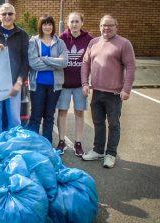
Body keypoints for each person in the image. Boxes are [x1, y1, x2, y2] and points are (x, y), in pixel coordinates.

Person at [81, 15, 135, 168]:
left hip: (114, 94)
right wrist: (85, 83)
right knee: (98, 122)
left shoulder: (124, 44)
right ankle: (98, 150)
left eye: (110, 25)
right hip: (97, 91)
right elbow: (85, 64)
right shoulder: (93, 42)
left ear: (116, 26)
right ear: (100, 26)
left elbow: (130, 67)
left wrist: (127, 89)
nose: (107, 28)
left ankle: (110, 154)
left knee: (113, 125)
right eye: (104, 25)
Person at [0, 3, 29, 134]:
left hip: (13, 83)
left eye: (10, 13)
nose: (7, 16)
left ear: (15, 15)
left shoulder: (22, 35)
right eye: (4, 14)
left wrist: (19, 82)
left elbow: (26, 61)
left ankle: (13, 148)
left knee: (14, 119)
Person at [56, 12, 93, 156]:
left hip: (80, 84)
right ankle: (61, 141)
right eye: (72, 21)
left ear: (82, 23)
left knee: (79, 112)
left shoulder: (90, 39)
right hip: (64, 84)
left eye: (77, 21)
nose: (74, 24)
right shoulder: (62, 38)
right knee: (62, 112)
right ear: (68, 23)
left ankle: (78, 143)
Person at [27, 15, 68, 144]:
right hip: (37, 85)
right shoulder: (33, 41)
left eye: (50, 24)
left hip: (54, 86)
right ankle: (32, 147)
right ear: (41, 26)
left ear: (53, 26)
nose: (47, 27)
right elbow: (33, 63)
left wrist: (44, 58)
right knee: (36, 117)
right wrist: (55, 64)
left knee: (49, 117)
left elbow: (64, 62)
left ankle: (47, 146)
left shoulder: (60, 42)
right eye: (44, 24)